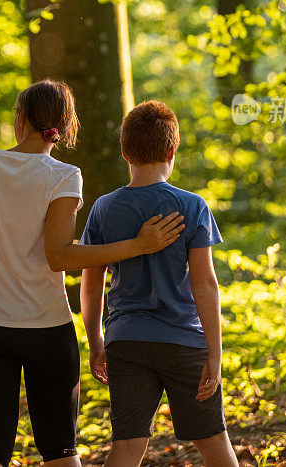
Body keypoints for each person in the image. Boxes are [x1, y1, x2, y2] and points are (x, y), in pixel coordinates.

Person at [0, 79, 185, 467]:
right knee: (60, 452)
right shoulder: (64, 175)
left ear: (21, 119)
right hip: (46, 331)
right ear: (63, 126)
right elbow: (59, 256)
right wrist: (138, 246)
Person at [80, 100, 238, 467]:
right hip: (184, 341)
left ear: (124, 151)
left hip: (126, 339)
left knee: (126, 446)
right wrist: (214, 353)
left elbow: (91, 285)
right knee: (214, 442)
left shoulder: (104, 208)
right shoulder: (192, 206)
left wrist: (96, 343)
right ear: (172, 150)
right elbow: (205, 285)